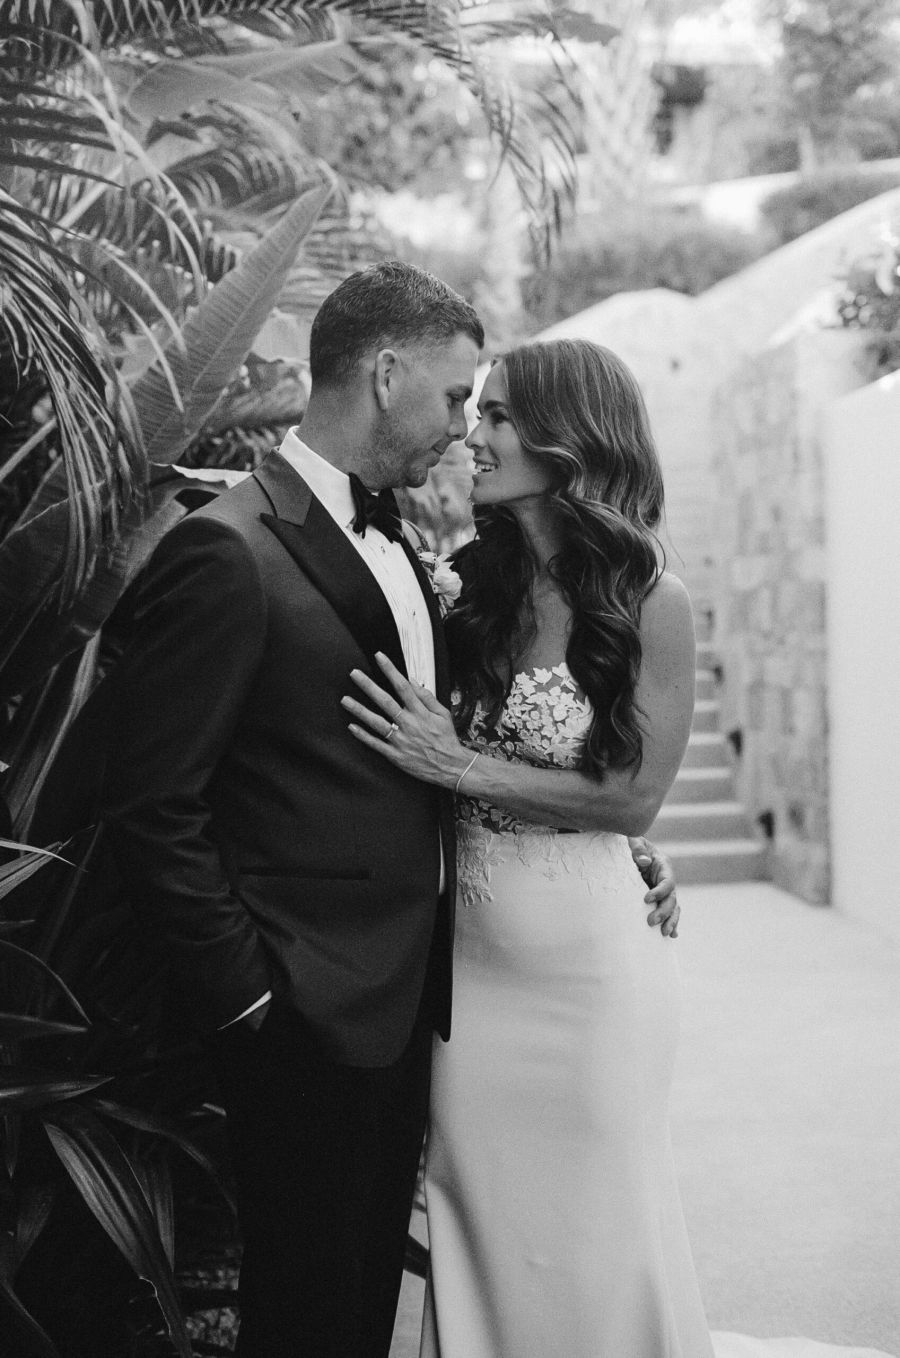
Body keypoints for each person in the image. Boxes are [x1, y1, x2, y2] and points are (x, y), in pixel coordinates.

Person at [101, 267, 677, 1358]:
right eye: (460, 397)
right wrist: (249, 1003)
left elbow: (488, 745)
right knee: (308, 1309)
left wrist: (616, 839)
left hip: (424, 1005)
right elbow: (150, 804)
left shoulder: (427, 559)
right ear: (386, 371)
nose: (465, 428)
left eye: (487, 409)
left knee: (363, 1303)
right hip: (302, 1012)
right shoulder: (230, 547)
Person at [343, 338, 894, 1358]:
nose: (476, 432)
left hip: (589, 980)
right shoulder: (462, 588)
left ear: (569, 434)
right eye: (482, 410)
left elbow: (634, 797)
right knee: (482, 1214)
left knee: (594, 1225)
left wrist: (477, 776)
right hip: (467, 978)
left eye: (500, 414)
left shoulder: (654, 601)